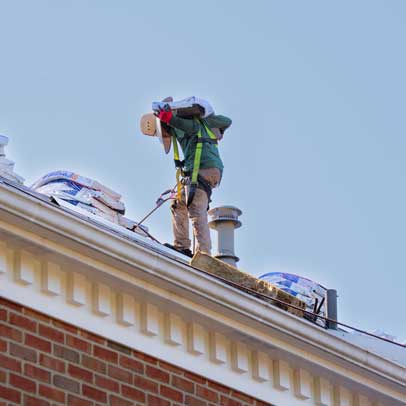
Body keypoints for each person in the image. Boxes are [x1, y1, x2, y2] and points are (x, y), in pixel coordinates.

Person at [156, 104, 232, 257]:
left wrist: (167, 117)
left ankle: (204, 254)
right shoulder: (202, 125)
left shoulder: (190, 124)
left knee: (196, 208)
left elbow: (180, 123)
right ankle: (182, 246)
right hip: (207, 171)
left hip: (202, 170)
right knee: (179, 203)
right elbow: (226, 121)